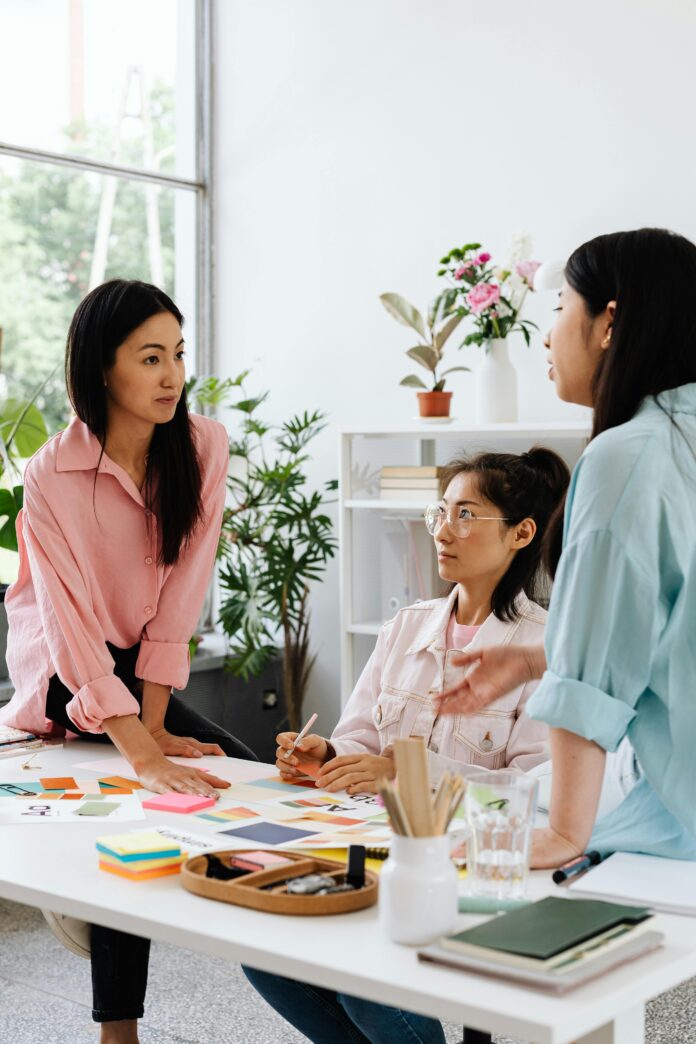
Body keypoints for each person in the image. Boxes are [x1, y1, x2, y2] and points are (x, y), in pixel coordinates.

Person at [0, 279, 257, 1044]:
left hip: (139, 658)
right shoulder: (50, 474)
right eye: (150, 358)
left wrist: (154, 725)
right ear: (102, 369)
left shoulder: (204, 446)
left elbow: (180, 598)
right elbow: (68, 626)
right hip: (61, 669)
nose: (172, 374)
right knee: (150, 793)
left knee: (250, 785)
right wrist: (143, 754)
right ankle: (121, 1033)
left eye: (178, 354)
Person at [243, 446, 569, 1044]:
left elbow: (537, 796)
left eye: (466, 515)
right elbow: (359, 736)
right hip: (367, 847)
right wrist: (328, 758)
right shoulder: (404, 628)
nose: (444, 531)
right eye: (440, 512)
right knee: (265, 952)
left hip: (465, 867)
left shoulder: (545, 649)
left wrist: (409, 774)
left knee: (365, 980)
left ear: (522, 533)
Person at [435, 227, 696, 867]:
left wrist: (565, 835)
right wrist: (534, 658)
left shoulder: (625, 456)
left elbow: (593, 672)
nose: (548, 335)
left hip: (673, 821)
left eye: (557, 309)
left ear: (611, 321)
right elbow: (668, 625)